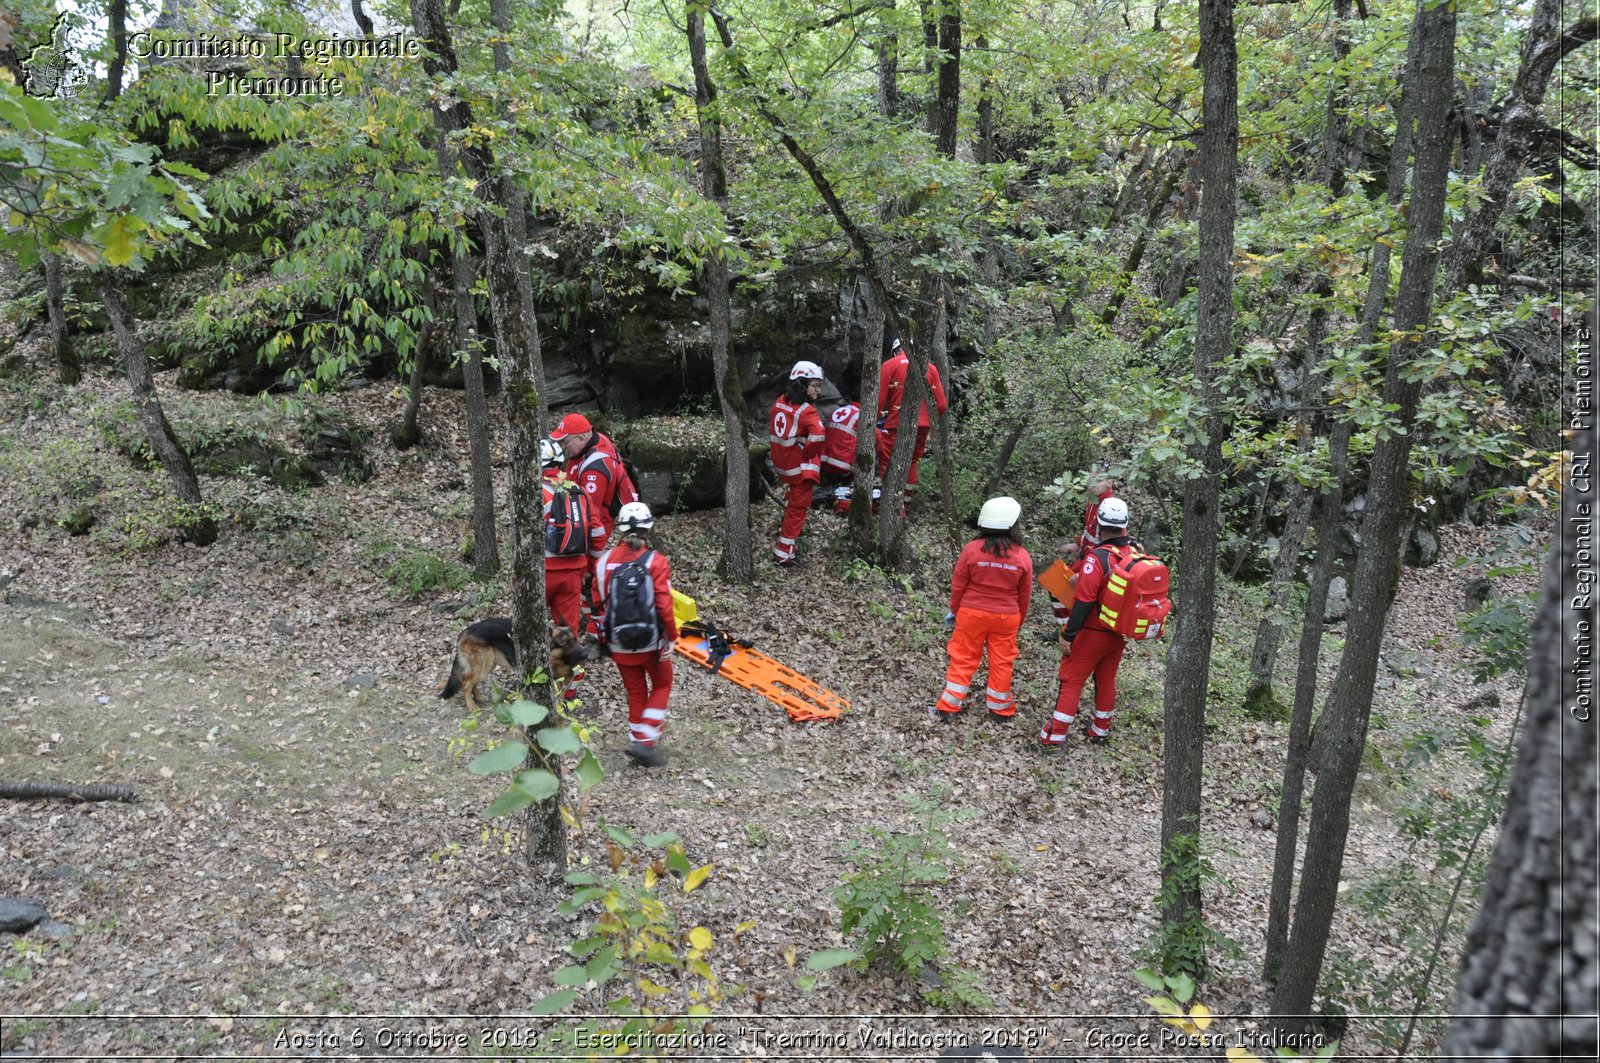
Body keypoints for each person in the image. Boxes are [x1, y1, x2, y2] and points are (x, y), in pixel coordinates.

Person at [1038, 495, 1135, 750]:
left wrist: (1068, 635)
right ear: (1125, 525)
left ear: (1100, 526)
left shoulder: (1098, 558)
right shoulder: (1133, 554)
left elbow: (1083, 600)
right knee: (1106, 680)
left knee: (1071, 682)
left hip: (1092, 633)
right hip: (1117, 635)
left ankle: (1053, 738)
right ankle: (1100, 730)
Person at [591, 502, 678, 767]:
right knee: (663, 684)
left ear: (619, 528)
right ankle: (644, 739)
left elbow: (597, 606)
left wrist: (602, 640)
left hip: (618, 641)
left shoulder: (603, 562)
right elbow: (664, 603)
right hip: (650, 642)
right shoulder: (657, 561)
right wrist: (671, 637)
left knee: (635, 688)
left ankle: (635, 738)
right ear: (649, 528)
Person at [933, 496, 1033, 721]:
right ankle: (1000, 710)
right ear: (1012, 525)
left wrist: (956, 610)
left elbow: (958, 584)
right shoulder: (1022, 556)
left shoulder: (971, 550)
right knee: (1002, 662)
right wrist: (1019, 621)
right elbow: (1024, 596)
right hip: (1007, 617)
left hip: (971, 614)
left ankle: (948, 707)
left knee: (963, 658)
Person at [539, 438, 604, 637]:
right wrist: (589, 568)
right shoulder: (579, 491)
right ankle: (573, 669)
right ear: (560, 464)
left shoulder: (535, 493)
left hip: (543, 573)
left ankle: (538, 667)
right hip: (574, 573)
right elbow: (598, 535)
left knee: (532, 632)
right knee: (569, 634)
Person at [875, 337, 948, 505]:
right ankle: (906, 504)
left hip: (897, 424)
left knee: (888, 458)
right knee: (912, 460)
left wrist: (873, 423)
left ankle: (892, 505)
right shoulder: (931, 368)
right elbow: (942, 405)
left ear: (895, 351)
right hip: (923, 426)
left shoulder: (890, 365)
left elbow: (878, 401)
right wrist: (926, 417)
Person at [1045, 476, 1118, 639]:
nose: (1092, 485)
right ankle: (1064, 629)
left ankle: (1071, 631)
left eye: (1098, 480)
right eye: (1090, 480)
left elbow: (1112, 544)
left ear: (1109, 482)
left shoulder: (1111, 507)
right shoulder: (1092, 500)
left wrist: (1085, 573)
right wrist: (1077, 544)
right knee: (1055, 584)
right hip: (1085, 558)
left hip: (1096, 564)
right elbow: (1089, 530)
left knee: (1069, 590)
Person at [551, 412, 638, 547]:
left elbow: (587, 512)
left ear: (581, 438)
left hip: (592, 534)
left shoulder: (595, 470)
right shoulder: (597, 440)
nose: (563, 447)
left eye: (565, 442)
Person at [769, 361, 826, 567]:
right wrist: (809, 454)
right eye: (814, 385)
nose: (818, 390)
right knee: (797, 508)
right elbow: (819, 436)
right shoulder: (807, 411)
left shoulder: (779, 401)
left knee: (794, 505)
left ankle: (788, 548)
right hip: (798, 468)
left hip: (781, 464)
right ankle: (784, 553)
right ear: (802, 384)